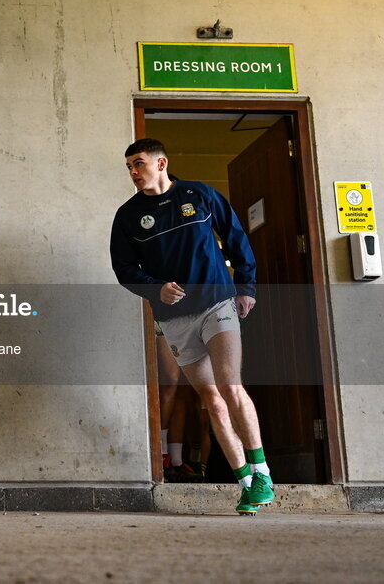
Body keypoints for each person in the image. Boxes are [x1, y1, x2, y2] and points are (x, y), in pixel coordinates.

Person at [110, 138, 274, 515]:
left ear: (161, 162)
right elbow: (124, 270)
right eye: (129, 167)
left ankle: (262, 470)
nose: (134, 172)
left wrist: (246, 286)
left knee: (230, 386)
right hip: (174, 320)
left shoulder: (198, 195)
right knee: (212, 401)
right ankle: (247, 484)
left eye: (139, 163)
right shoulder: (128, 216)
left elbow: (235, 239)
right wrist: (155, 289)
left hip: (217, 303)